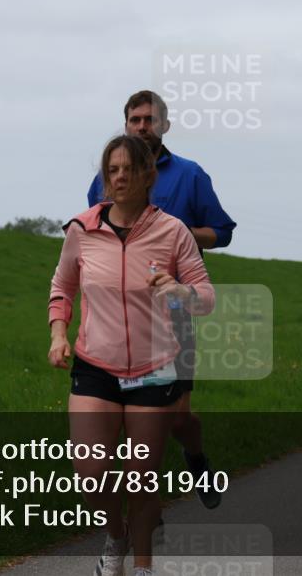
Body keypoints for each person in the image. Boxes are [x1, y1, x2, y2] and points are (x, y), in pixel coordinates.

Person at [50, 135, 216, 576]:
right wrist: (57, 335)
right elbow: (62, 288)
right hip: (95, 365)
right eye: (113, 169)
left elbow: (206, 297)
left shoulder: (172, 231)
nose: (120, 176)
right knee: (91, 472)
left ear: (148, 175)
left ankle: (142, 566)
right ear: (105, 177)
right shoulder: (81, 230)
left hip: (153, 368)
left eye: (129, 169)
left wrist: (180, 291)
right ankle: (116, 536)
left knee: (142, 475)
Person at [87, 90, 236, 510]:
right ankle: (142, 511)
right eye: (134, 120)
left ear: (165, 125)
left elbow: (222, 232)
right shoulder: (107, 177)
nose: (141, 127)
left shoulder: (189, 175)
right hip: (117, 319)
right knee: (118, 420)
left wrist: (178, 233)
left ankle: (196, 459)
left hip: (172, 315)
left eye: (149, 120)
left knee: (176, 417)